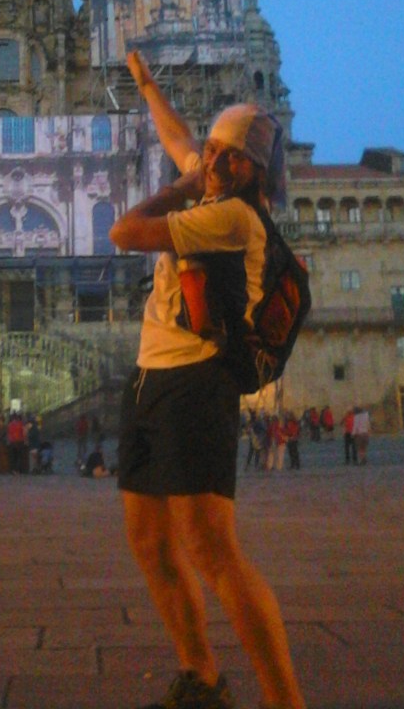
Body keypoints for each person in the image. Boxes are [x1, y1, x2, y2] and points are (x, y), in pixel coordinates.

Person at [109, 50, 306, 709]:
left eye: (228, 156)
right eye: (214, 151)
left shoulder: (230, 215)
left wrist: (187, 185)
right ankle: (201, 677)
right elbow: (177, 138)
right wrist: (145, 85)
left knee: (211, 549)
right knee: (148, 539)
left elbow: (126, 230)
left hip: (197, 381)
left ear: (254, 171)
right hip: (152, 377)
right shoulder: (214, 179)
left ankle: (284, 701)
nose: (212, 162)